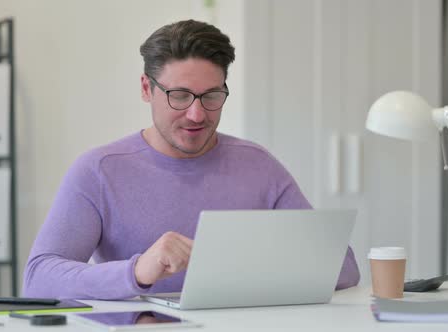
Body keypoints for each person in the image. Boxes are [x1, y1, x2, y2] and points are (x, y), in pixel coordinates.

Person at [23, 19, 360, 300]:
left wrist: (245, 258)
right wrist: (137, 271)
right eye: (179, 95)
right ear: (146, 88)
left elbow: (343, 268)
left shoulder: (258, 167)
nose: (197, 114)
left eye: (211, 96)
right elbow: (39, 278)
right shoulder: (99, 170)